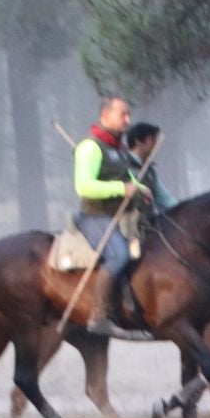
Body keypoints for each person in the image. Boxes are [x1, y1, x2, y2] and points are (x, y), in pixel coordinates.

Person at [71, 97, 151, 336]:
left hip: (123, 217)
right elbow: (83, 186)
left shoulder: (118, 149)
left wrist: (140, 188)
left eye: (128, 115)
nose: (128, 120)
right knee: (119, 254)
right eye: (123, 115)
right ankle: (99, 317)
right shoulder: (90, 148)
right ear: (105, 116)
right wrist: (122, 190)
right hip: (95, 216)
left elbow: (127, 178)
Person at [124, 122, 180, 214]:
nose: (155, 144)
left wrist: (182, 210)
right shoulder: (123, 164)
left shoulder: (149, 171)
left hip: (147, 221)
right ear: (138, 141)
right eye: (152, 139)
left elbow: (164, 198)